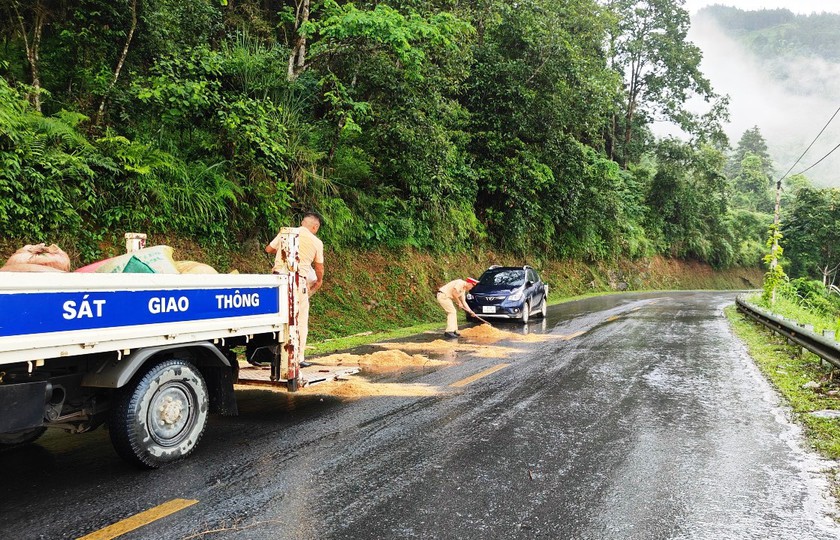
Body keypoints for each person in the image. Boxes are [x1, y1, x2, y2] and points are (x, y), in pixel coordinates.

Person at [266, 212, 324, 367]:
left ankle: (272, 354)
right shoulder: (316, 242)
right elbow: (319, 267)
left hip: (277, 281)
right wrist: (319, 281)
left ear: (302, 223)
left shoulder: (286, 233)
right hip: (298, 283)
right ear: (315, 227)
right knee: (300, 320)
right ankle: (298, 358)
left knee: (277, 319)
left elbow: (268, 249)